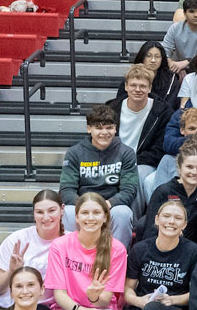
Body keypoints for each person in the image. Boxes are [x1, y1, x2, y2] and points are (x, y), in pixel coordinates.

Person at [59, 105, 138, 248]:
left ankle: (118, 258)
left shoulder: (126, 153)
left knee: (123, 213)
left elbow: (129, 190)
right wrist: (86, 207)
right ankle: (72, 256)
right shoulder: (74, 152)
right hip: (83, 203)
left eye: (109, 128)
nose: (104, 132)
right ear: (89, 129)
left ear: (115, 128)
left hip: (111, 206)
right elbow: (66, 190)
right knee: (68, 211)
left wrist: (105, 205)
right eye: (99, 128)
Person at [108, 66, 174, 190]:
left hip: (144, 163)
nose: (137, 90)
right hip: (113, 161)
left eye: (142, 86)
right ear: (126, 86)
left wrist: (129, 162)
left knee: (135, 175)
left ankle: (132, 210)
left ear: (149, 88)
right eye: (133, 85)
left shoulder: (162, 112)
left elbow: (159, 150)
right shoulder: (111, 108)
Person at [139, 142, 197, 244]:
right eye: (189, 167)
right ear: (179, 168)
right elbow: (150, 231)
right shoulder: (163, 191)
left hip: (192, 252)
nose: (194, 172)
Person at [117, 41, 183, 111]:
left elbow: (172, 106)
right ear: (142, 57)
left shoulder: (171, 79)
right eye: (148, 56)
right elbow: (120, 103)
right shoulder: (131, 77)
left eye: (157, 57)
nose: (153, 60)